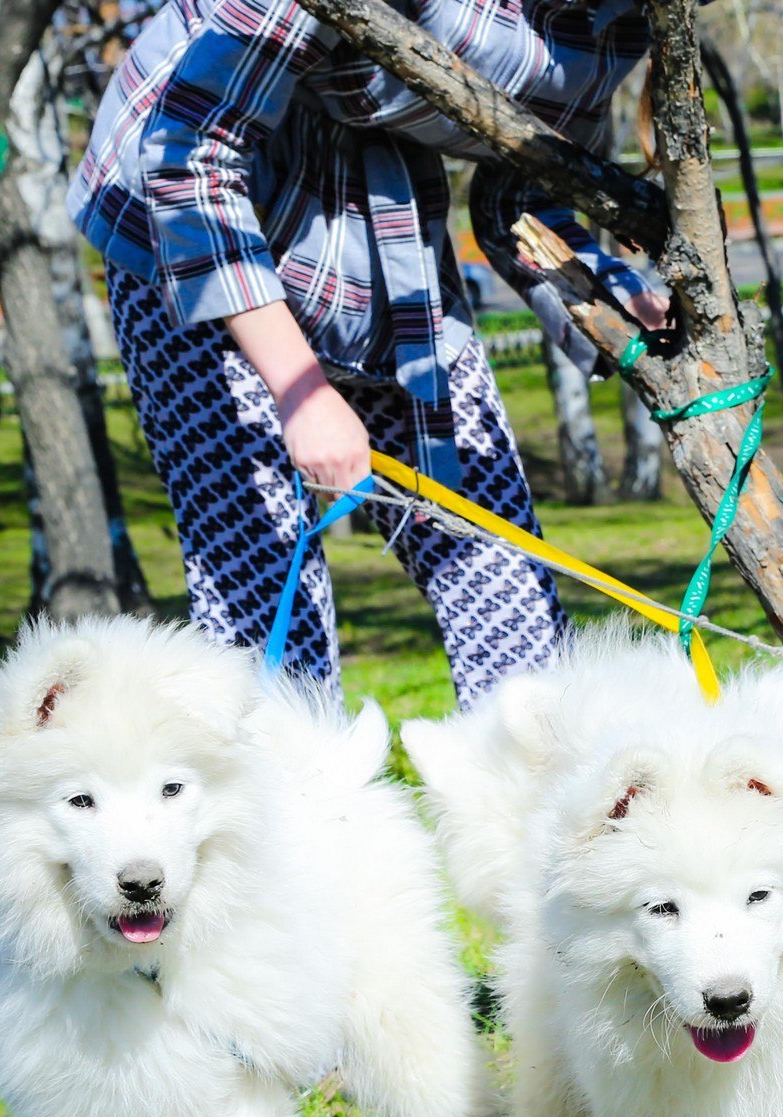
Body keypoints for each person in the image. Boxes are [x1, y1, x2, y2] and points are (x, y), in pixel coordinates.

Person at [69, 0, 661, 702]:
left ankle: (530, 795)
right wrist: (302, 393)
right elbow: (189, 158)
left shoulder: (616, 25)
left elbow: (524, 187)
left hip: (382, 234)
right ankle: (288, 794)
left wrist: (623, 295)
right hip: (189, 231)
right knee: (266, 607)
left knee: (497, 568)